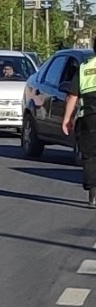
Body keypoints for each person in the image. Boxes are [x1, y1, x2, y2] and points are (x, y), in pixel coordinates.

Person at [60, 41, 96, 207]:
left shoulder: (85, 68)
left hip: (89, 118)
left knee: (90, 156)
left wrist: (67, 119)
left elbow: (72, 96)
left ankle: (93, 194)